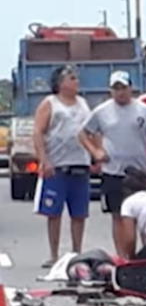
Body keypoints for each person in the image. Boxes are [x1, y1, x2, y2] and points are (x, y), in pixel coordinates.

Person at [78, 71, 146, 260]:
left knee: (145, 214)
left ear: (130, 88)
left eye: (123, 88)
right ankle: (123, 257)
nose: (120, 93)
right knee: (118, 215)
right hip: (113, 171)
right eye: (116, 89)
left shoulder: (143, 110)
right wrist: (95, 152)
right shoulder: (102, 112)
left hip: (140, 172)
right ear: (111, 91)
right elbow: (83, 133)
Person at [33, 65, 92, 268]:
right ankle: (54, 254)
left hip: (80, 163)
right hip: (57, 165)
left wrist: (95, 155)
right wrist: (44, 160)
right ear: (60, 83)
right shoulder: (50, 103)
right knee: (54, 212)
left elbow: (92, 130)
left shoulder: (83, 103)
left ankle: (77, 252)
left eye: (76, 77)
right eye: (72, 78)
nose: (76, 81)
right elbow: (39, 132)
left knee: (79, 212)